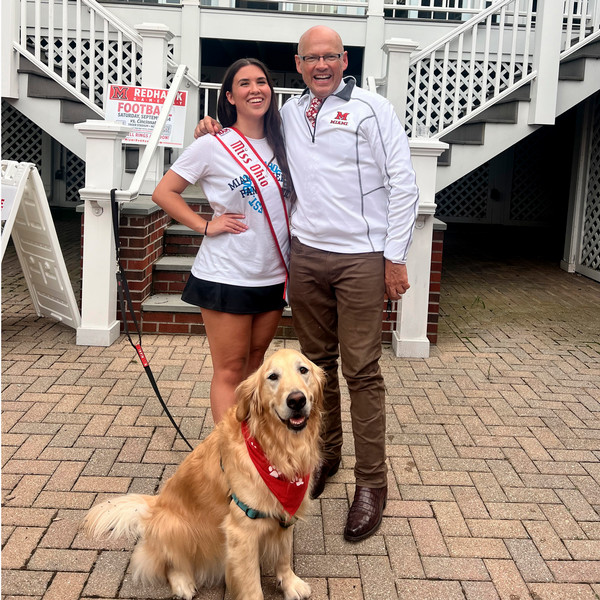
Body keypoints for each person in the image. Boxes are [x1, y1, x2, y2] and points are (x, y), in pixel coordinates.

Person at [195, 26, 419, 542]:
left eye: (330, 57)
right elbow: (245, 131)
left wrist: (394, 256)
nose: (321, 65)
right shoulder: (289, 114)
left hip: (362, 256)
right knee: (317, 370)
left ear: (344, 60)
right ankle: (328, 453)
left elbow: (404, 183)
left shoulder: (371, 108)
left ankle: (372, 483)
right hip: (307, 256)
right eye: (311, 58)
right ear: (298, 64)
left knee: (361, 367)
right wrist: (210, 125)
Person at [153, 58, 292, 424]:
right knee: (229, 370)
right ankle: (229, 458)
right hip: (226, 274)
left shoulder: (284, 142)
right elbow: (164, 192)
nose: (255, 89)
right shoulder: (213, 144)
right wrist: (204, 225)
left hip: (273, 273)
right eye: (244, 84)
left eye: (261, 81)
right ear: (229, 96)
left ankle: (251, 446)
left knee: (254, 367)